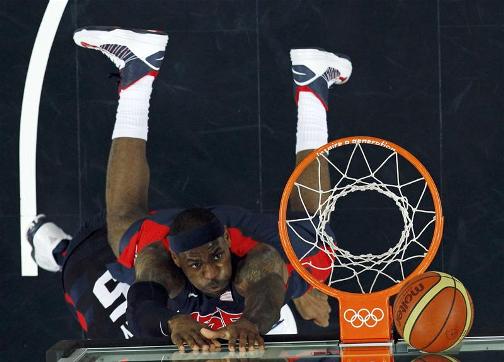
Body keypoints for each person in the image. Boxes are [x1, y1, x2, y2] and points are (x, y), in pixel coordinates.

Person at [29, 26, 352, 351]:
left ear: (226, 240)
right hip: (196, 243)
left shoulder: (257, 262)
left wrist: (248, 321)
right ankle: (313, 84)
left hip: (253, 244)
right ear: (177, 259)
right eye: (198, 264)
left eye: (214, 258)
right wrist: (176, 320)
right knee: (315, 247)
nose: (212, 272)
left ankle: (137, 73)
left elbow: (267, 291)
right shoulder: (163, 262)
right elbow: (145, 301)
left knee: (124, 228)